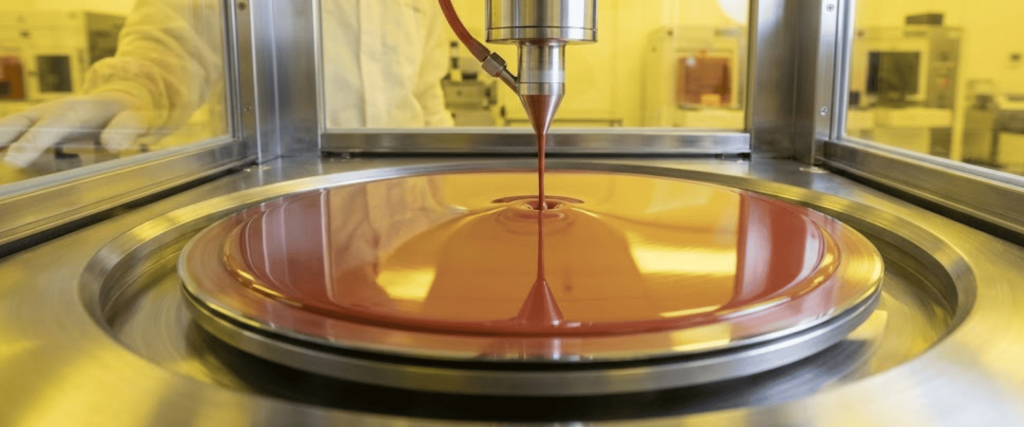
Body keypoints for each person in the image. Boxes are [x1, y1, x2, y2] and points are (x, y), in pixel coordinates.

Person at [0, 0, 453, 168]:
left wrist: (445, 186)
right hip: (269, 206)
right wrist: (132, 91)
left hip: (401, 216)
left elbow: (427, 97)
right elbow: (170, 45)